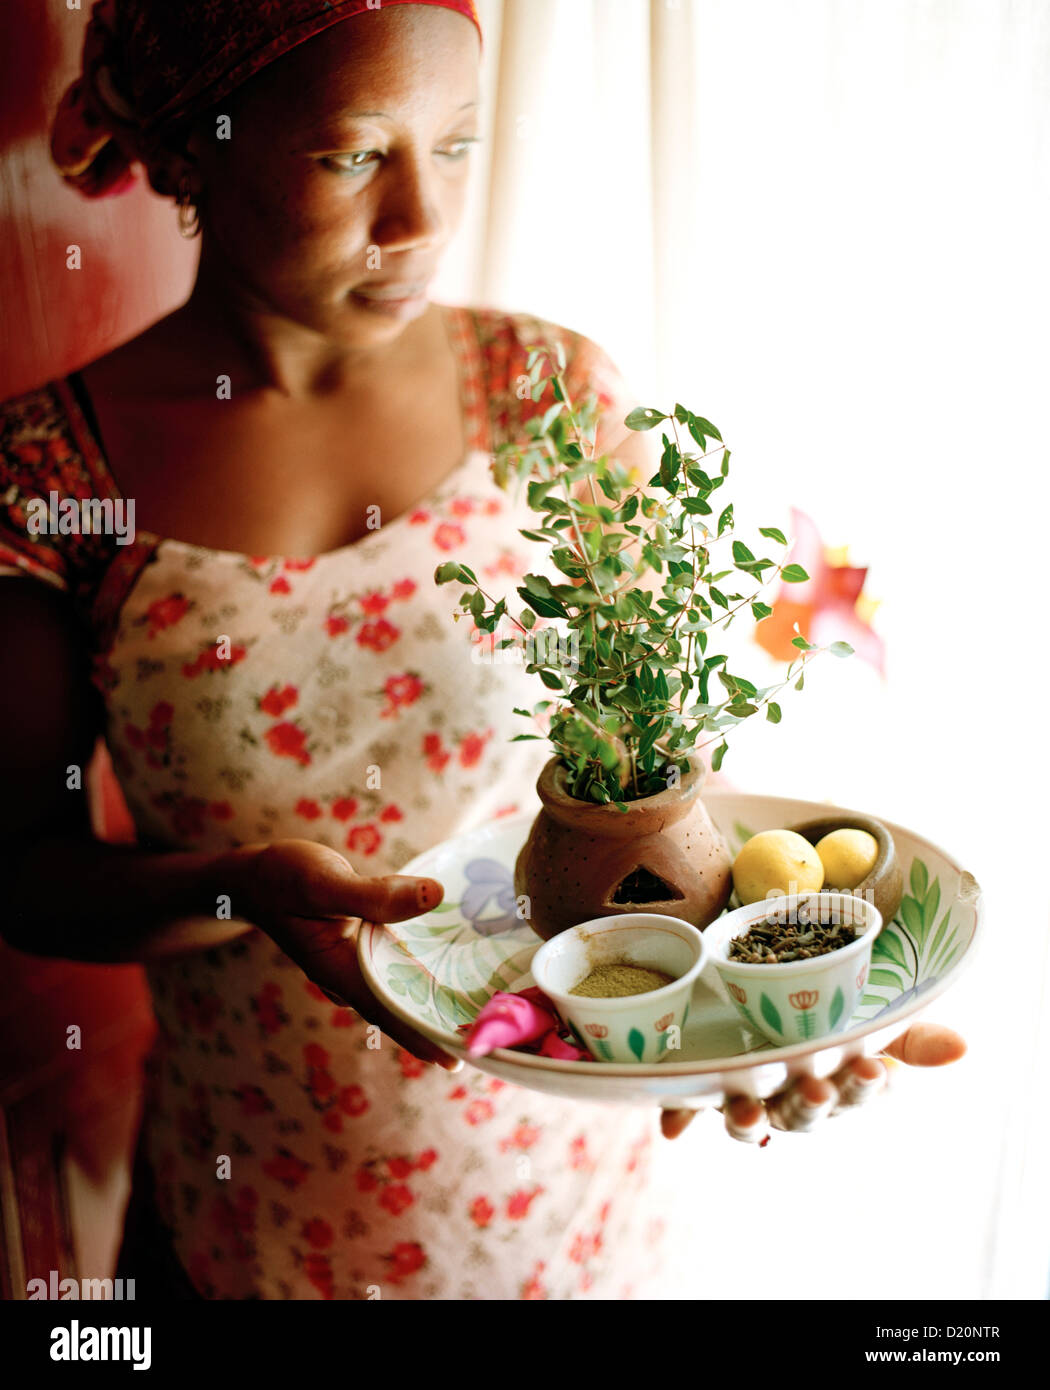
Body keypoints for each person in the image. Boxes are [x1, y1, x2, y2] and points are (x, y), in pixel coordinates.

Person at [0, 0, 964, 1300]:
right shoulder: (53, 469)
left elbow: (662, 799)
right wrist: (238, 890)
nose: (420, 216)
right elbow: (24, 871)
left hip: (573, 1203)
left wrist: (756, 1012)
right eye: (352, 154)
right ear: (196, 148)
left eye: (455, 144)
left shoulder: (551, 398)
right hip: (260, 1219)